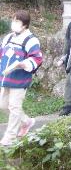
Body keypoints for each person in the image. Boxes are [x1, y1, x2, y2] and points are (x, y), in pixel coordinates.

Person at [0, 10, 43, 146]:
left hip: (20, 80)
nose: (14, 23)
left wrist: (22, 64)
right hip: (5, 78)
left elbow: (37, 59)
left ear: (25, 25)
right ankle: (27, 122)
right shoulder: (8, 38)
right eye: (14, 20)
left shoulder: (31, 40)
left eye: (17, 21)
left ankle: (10, 137)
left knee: (14, 107)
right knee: (3, 105)